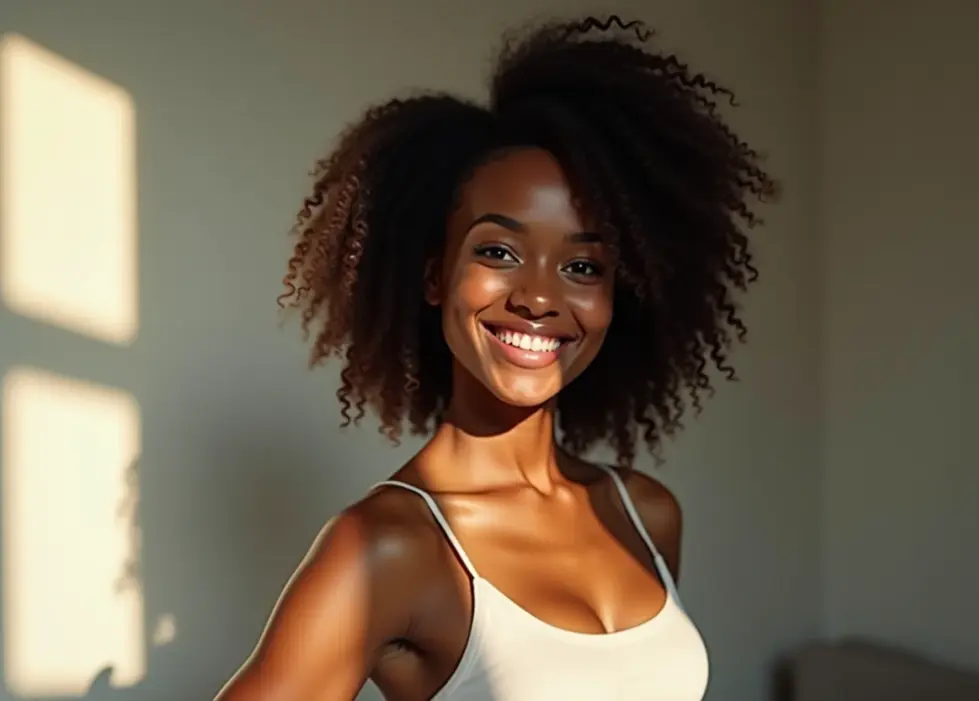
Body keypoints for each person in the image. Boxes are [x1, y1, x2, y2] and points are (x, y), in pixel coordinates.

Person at [215, 14, 774, 701]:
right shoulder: (389, 546)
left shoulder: (646, 513)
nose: (538, 297)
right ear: (434, 275)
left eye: (582, 265)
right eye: (499, 252)